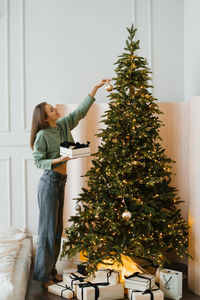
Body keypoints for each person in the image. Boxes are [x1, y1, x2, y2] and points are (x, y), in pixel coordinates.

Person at [30, 78, 110, 288]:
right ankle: (42, 277)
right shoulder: (42, 135)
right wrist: (61, 159)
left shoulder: (64, 125)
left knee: (57, 231)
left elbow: (80, 112)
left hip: (60, 181)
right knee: (47, 231)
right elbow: (38, 161)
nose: (55, 108)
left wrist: (94, 89)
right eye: (51, 108)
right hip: (49, 183)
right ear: (45, 117)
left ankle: (51, 271)